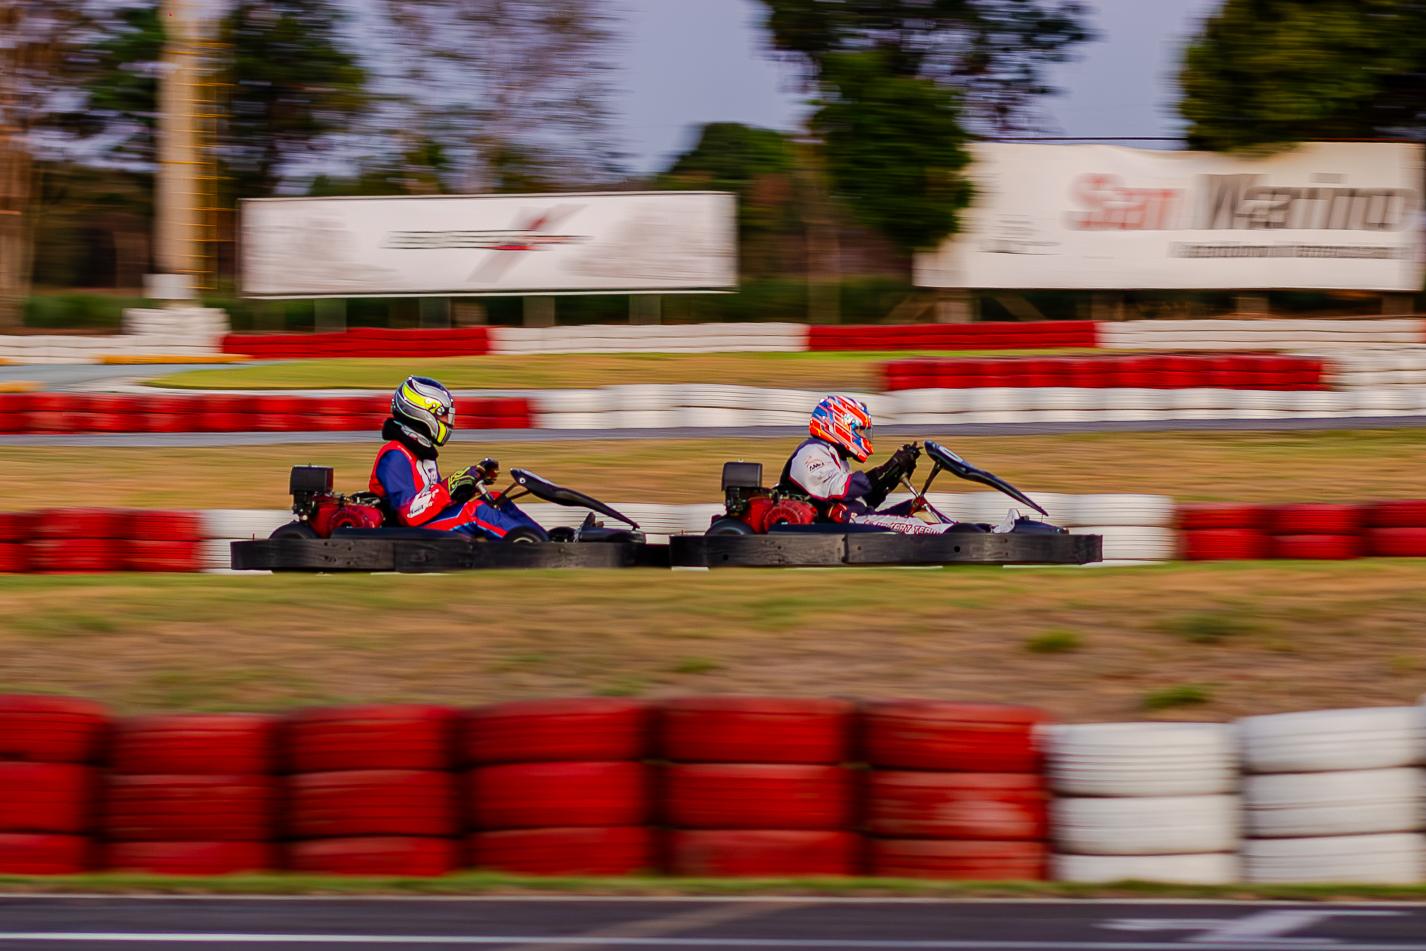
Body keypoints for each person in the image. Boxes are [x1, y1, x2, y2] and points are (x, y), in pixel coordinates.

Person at [368, 376, 542, 539]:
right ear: (423, 413)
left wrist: (466, 485)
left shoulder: (420, 451)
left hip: (426, 522)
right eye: (443, 415)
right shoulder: (395, 455)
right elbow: (409, 514)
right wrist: (450, 487)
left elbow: (433, 500)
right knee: (477, 512)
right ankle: (527, 543)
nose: (448, 421)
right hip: (405, 534)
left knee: (495, 499)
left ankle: (544, 538)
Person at [777, 394, 954, 535]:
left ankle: (963, 531)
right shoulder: (811, 452)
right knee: (913, 525)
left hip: (855, 521)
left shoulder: (837, 457)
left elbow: (859, 500)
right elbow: (841, 489)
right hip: (833, 528)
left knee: (914, 507)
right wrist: (885, 469)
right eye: (860, 429)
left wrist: (890, 478)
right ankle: (956, 536)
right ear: (838, 424)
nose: (863, 435)